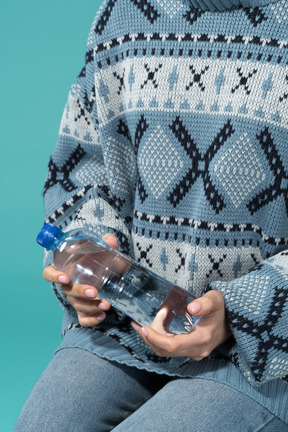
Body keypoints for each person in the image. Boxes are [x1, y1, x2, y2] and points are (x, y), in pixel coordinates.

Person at [14, 0, 288, 430]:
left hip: (266, 351)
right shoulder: (122, 14)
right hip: (128, 325)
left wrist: (239, 312)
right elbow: (85, 173)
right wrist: (89, 262)